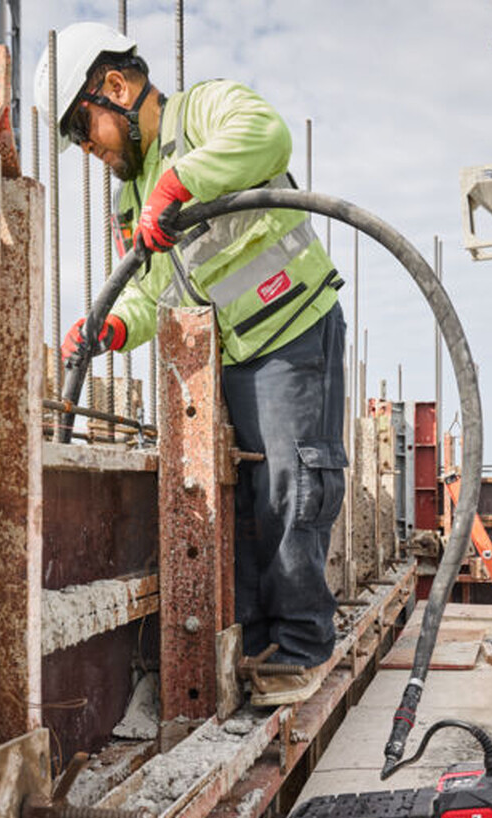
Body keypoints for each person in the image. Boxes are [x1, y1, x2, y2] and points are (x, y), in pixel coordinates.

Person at [36, 22, 348, 707]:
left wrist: (181, 179)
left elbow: (267, 136)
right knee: (238, 504)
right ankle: (261, 644)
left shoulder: (199, 114)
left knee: (293, 488)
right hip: (230, 356)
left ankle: (303, 646)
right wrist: (117, 325)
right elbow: (156, 291)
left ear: (114, 87)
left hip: (292, 329)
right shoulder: (131, 196)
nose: (89, 149)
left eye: (85, 129)